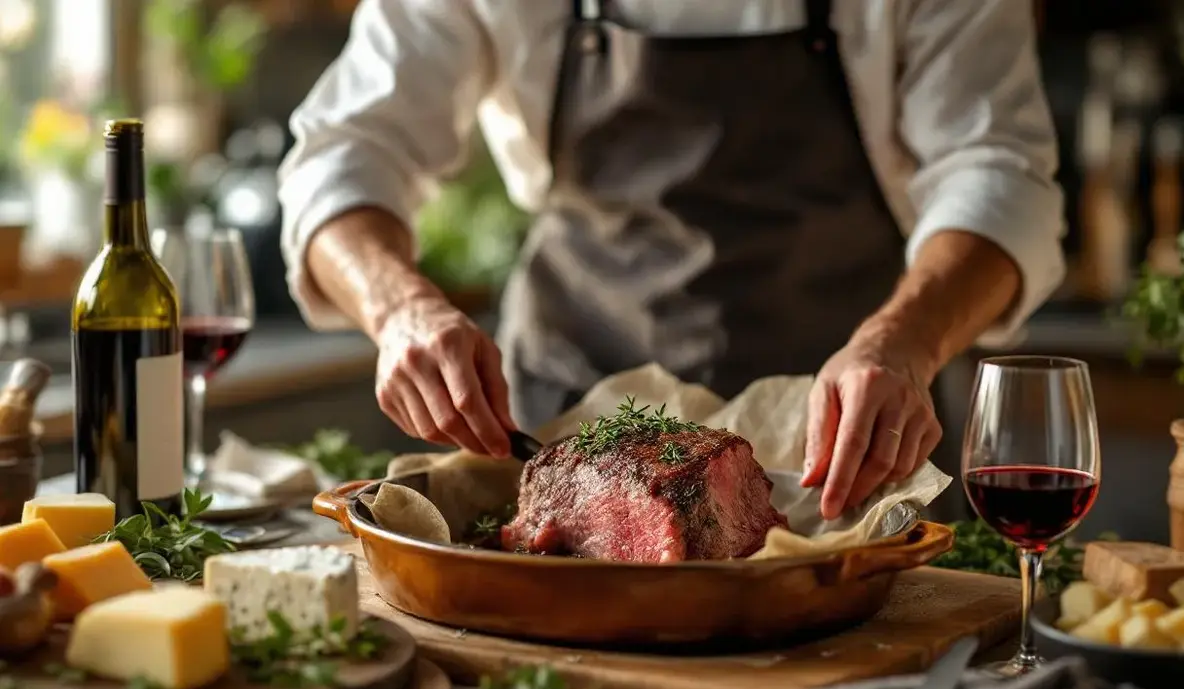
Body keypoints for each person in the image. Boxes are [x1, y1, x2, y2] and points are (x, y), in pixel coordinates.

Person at [278, 0, 1064, 522]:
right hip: (556, 420)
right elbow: (346, 151)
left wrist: (903, 342)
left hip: (845, 452)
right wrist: (401, 310)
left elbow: (997, 170)